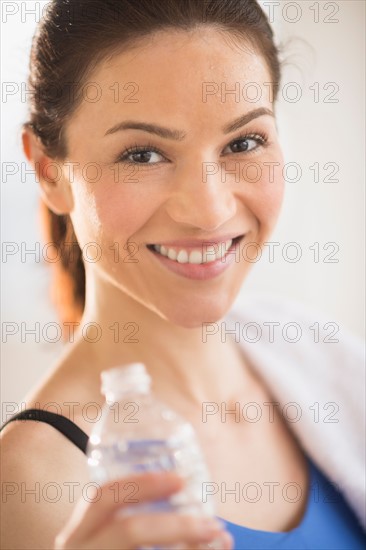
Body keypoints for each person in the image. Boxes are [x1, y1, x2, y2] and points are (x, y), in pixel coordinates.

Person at [1, 1, 365, 549]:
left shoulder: (323, 358)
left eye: (244, 142)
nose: (210, 210)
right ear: (50, 173)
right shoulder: (32, 483)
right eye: (143, 154)